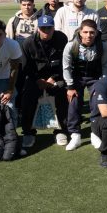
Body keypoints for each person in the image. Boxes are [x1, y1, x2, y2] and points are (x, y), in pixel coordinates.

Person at [19, 15, 69, 148]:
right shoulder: (28, 43)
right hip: (36, 77)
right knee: (27, 97)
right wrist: (37, 80)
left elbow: (65, 61)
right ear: (38, 29)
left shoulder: (62, 38)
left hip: (56, 76)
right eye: (43, 28)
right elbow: (25, 66)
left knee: (63, 93)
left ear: (54, 28)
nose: (46, 31)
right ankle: (28, 132)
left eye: (49, 28)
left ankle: (61, 130)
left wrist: (54, 77)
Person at [62, 19, 107, 151]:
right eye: (85, 32)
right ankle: (75, 135)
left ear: (96, 33)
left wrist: (103, 85)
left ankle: (95, 133)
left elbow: (106, 66)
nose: (88, 35)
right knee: (73, 102)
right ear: (80, 32)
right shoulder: (71, 45)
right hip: (76, 78)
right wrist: (70, 87)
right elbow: (66, 67)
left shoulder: (103, 46)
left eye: (92, 32)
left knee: (97, 102)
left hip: (95, 78)